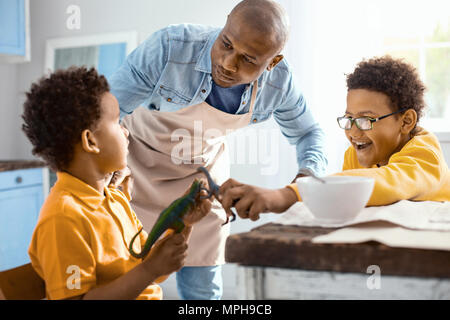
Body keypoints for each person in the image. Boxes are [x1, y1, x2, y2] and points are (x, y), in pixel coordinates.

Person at [108, 0, 327, 299]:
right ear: (225, 24)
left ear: (272, 62)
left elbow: (309, 133)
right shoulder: (170, 47)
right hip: (136, 174)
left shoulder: (279, 83)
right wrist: (111, 168)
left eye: (248, 59)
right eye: (226, 44)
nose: (227, 63)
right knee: (130, 283)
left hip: (200, 186)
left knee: (203, 291)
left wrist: (301, 187)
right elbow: (107, 112)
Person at [22, 67, 211, 300]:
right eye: (117, 122)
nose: (126, 132)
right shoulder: (63, 217)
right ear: (90, 141)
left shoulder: (115, 198)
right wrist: (150, 269)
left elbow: (151, 266)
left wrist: (184, 224)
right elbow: (148, 269)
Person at [219, 55, 450, 220]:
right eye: (349, 119)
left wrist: (286, 195)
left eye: (365, 119)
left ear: (406, 121)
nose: (353, 132)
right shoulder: (357, 154)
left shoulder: (424, 154)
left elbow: (387, 181)